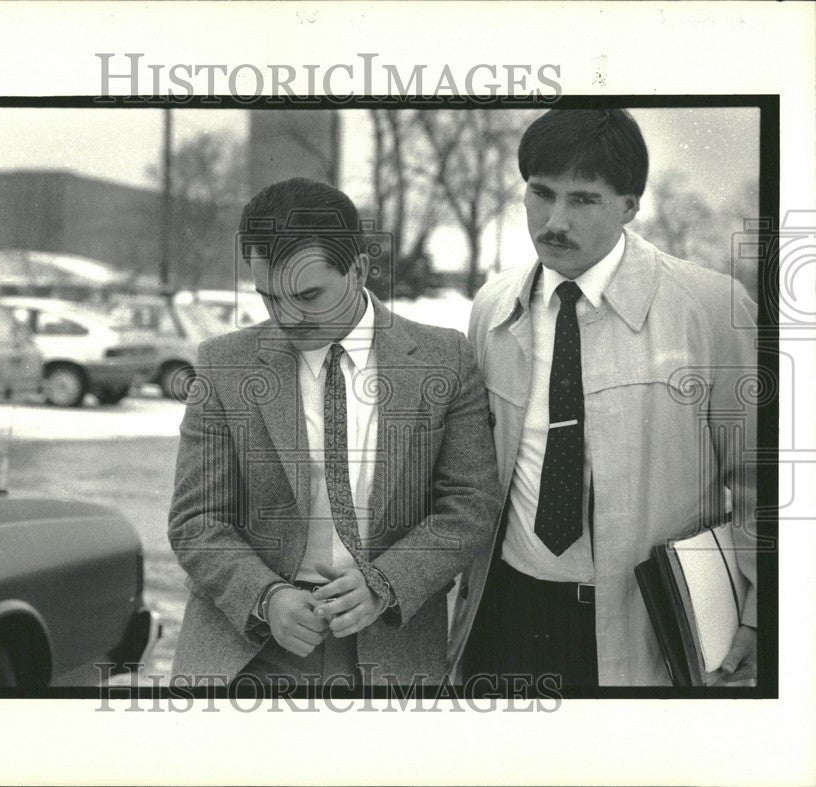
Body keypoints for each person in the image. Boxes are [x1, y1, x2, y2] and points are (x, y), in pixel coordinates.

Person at [448, 109, 758, 688]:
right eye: (540, 193)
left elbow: (760, 476)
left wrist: (763, 613)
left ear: (629, 206)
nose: (553, 221)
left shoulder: (712, 307)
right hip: (508, 606)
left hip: (646, 623)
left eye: (584, 200)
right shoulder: (492, 307)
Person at [169, 177, 502, 689]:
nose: (286, 317)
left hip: (394, 645)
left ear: (359, 270)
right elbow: (196, 519)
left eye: (307, 295)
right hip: (247, 649)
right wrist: (266, 597)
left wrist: (385, 584)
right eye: (268, 297)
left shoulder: (445, 359)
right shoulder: (223, 364)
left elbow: (470, 503)